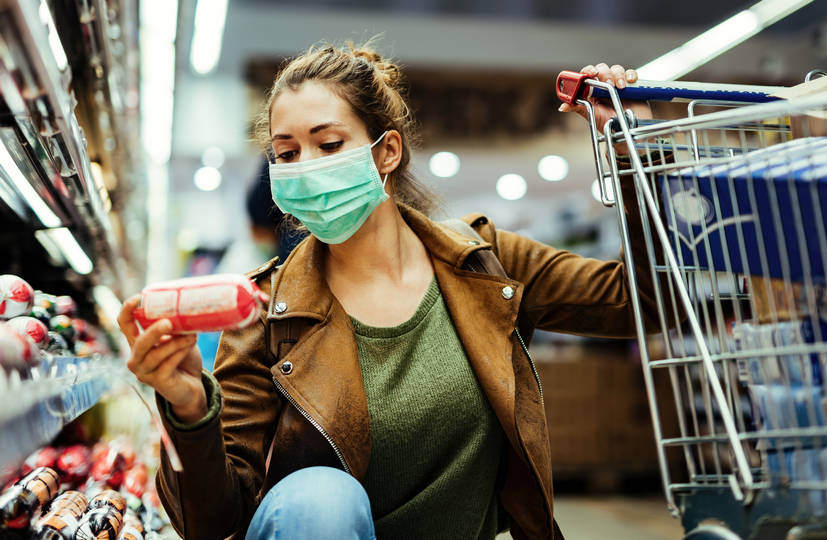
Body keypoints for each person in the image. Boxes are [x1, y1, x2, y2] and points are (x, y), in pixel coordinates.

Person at [117, 42, 659, 540]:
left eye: (329, 144)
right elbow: (213, 523)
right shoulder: (265, 315)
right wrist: (189, 406)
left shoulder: (485, 265)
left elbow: (645, 300)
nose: (304, 169)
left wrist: (636, 153)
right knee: (319, 499)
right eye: (285, 154)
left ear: (386, 152)